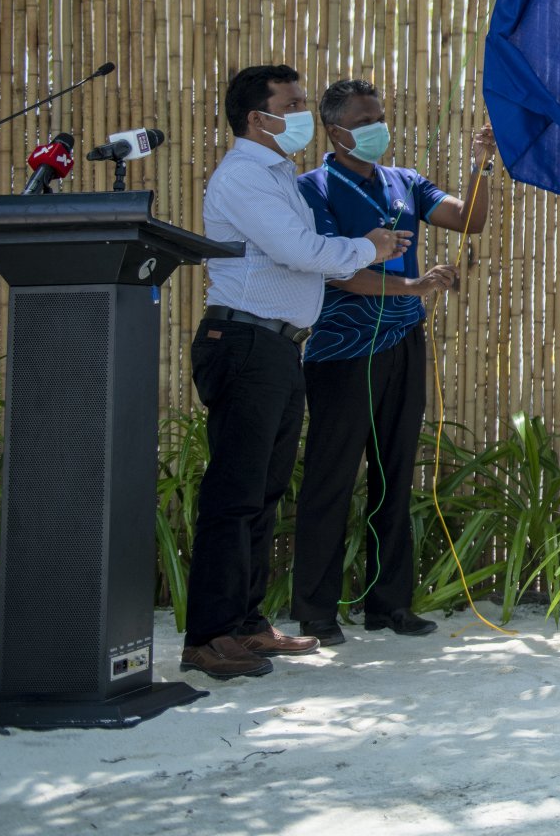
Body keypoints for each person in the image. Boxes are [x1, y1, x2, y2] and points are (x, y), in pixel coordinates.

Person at [183, 66, 410, 681]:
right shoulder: (243, 179)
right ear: (260, 118)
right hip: (244, 342)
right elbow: (301, 253)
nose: (306, 114)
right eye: (296, 104)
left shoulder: (276, 176)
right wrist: (370, 246)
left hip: (277, 346)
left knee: (262, 492)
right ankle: (207, 636)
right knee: (234, 496)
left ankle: (247, 625)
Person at [289, 79, 493, 643]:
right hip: (341, 351)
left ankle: (389, 604)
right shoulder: (312, 190)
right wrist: (414, 287)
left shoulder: (404, 182)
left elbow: (468, 218)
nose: (380, 126)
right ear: (335, 131)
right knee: (331, 476)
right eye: (366, 119)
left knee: (395, 473)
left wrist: (482, 165)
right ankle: (316, 611)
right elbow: (339, 272)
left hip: (403, 345)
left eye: (381, 115)